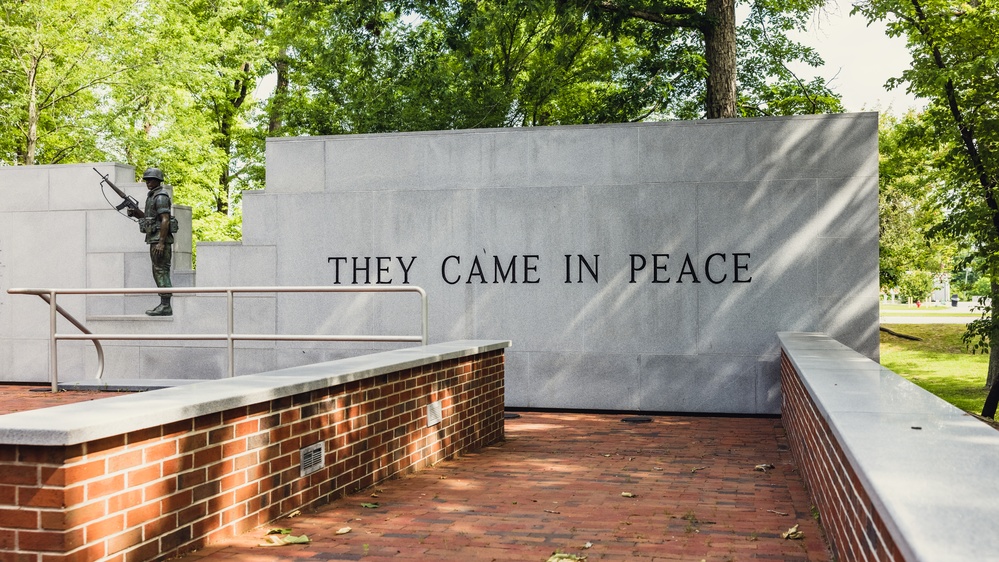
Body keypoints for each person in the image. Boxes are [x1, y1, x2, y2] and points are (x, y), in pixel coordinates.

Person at [128, 168, 174, 316]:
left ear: (158, 180)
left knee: (161, 270)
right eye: (146, 180)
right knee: (157, 270)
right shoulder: (152, 196)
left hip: (159, 240)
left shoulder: (160, 196)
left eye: (151, 179)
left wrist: (161, 242)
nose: (148, 182)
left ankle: (166, 305)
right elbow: (150, 218)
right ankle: (163, 303)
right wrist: (136, 213)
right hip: (154, 239)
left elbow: (165, 219)